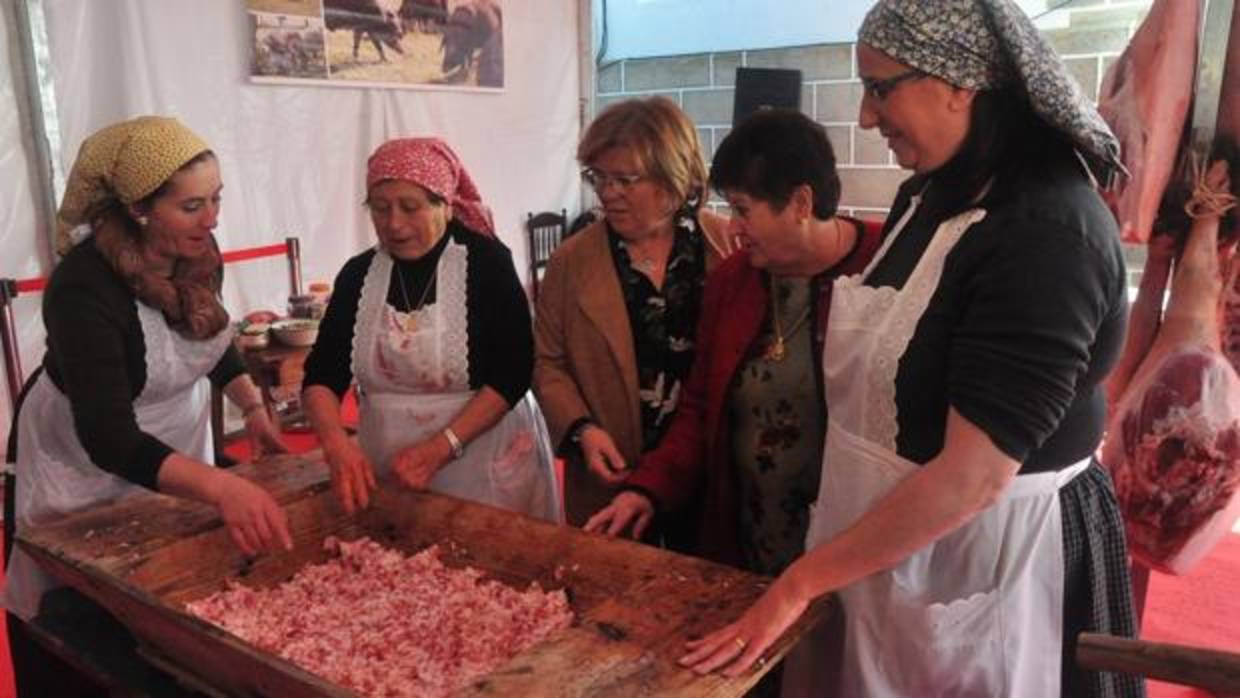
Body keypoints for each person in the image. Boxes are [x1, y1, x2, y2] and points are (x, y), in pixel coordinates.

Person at [679, 2, 1145, 697]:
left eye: (878, 87)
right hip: (884, 546)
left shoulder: (1048, 232)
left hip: (987, 557)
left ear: (960, 83)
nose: (867, 117)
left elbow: (973, 478)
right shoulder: (925, 197)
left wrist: (800, 582)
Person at [3, 116, 293, 695]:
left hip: (171, 445)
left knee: (170, 594)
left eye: (216, 199)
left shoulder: (199, 256)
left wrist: (253, 409)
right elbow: (108, 437)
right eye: (191, 206)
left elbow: (206, 339)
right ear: (139, 209)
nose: (212, 220)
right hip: (82, 460)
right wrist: (221, 486)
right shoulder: (83, 288)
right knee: (86, 614)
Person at [584, 110, 882, 578]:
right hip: (752, 538)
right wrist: (646, 489)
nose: (732, 227)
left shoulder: (887, 265)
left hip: (860, 546)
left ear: (801, 202)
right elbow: (701, 407)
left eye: (743, 209)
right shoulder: (732, 281)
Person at [302, 137, 559, 522]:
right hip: (389, 458)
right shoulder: (359, 275)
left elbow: (513, 371)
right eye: (380, 208)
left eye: (410, 207)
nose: (394, 224)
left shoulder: (487, 263)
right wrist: (336, 443)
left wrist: (443, 446)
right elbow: (322, 374)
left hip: (480, 456)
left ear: (446, 204)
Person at [533, 96, 733, 530]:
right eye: (598, 177)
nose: (607, 193)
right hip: (613, 474)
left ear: (673, 177)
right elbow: (547, 363)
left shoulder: (725, 245)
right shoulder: (572, 261)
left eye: (625, 179)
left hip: (712, 474)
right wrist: (582, 430)